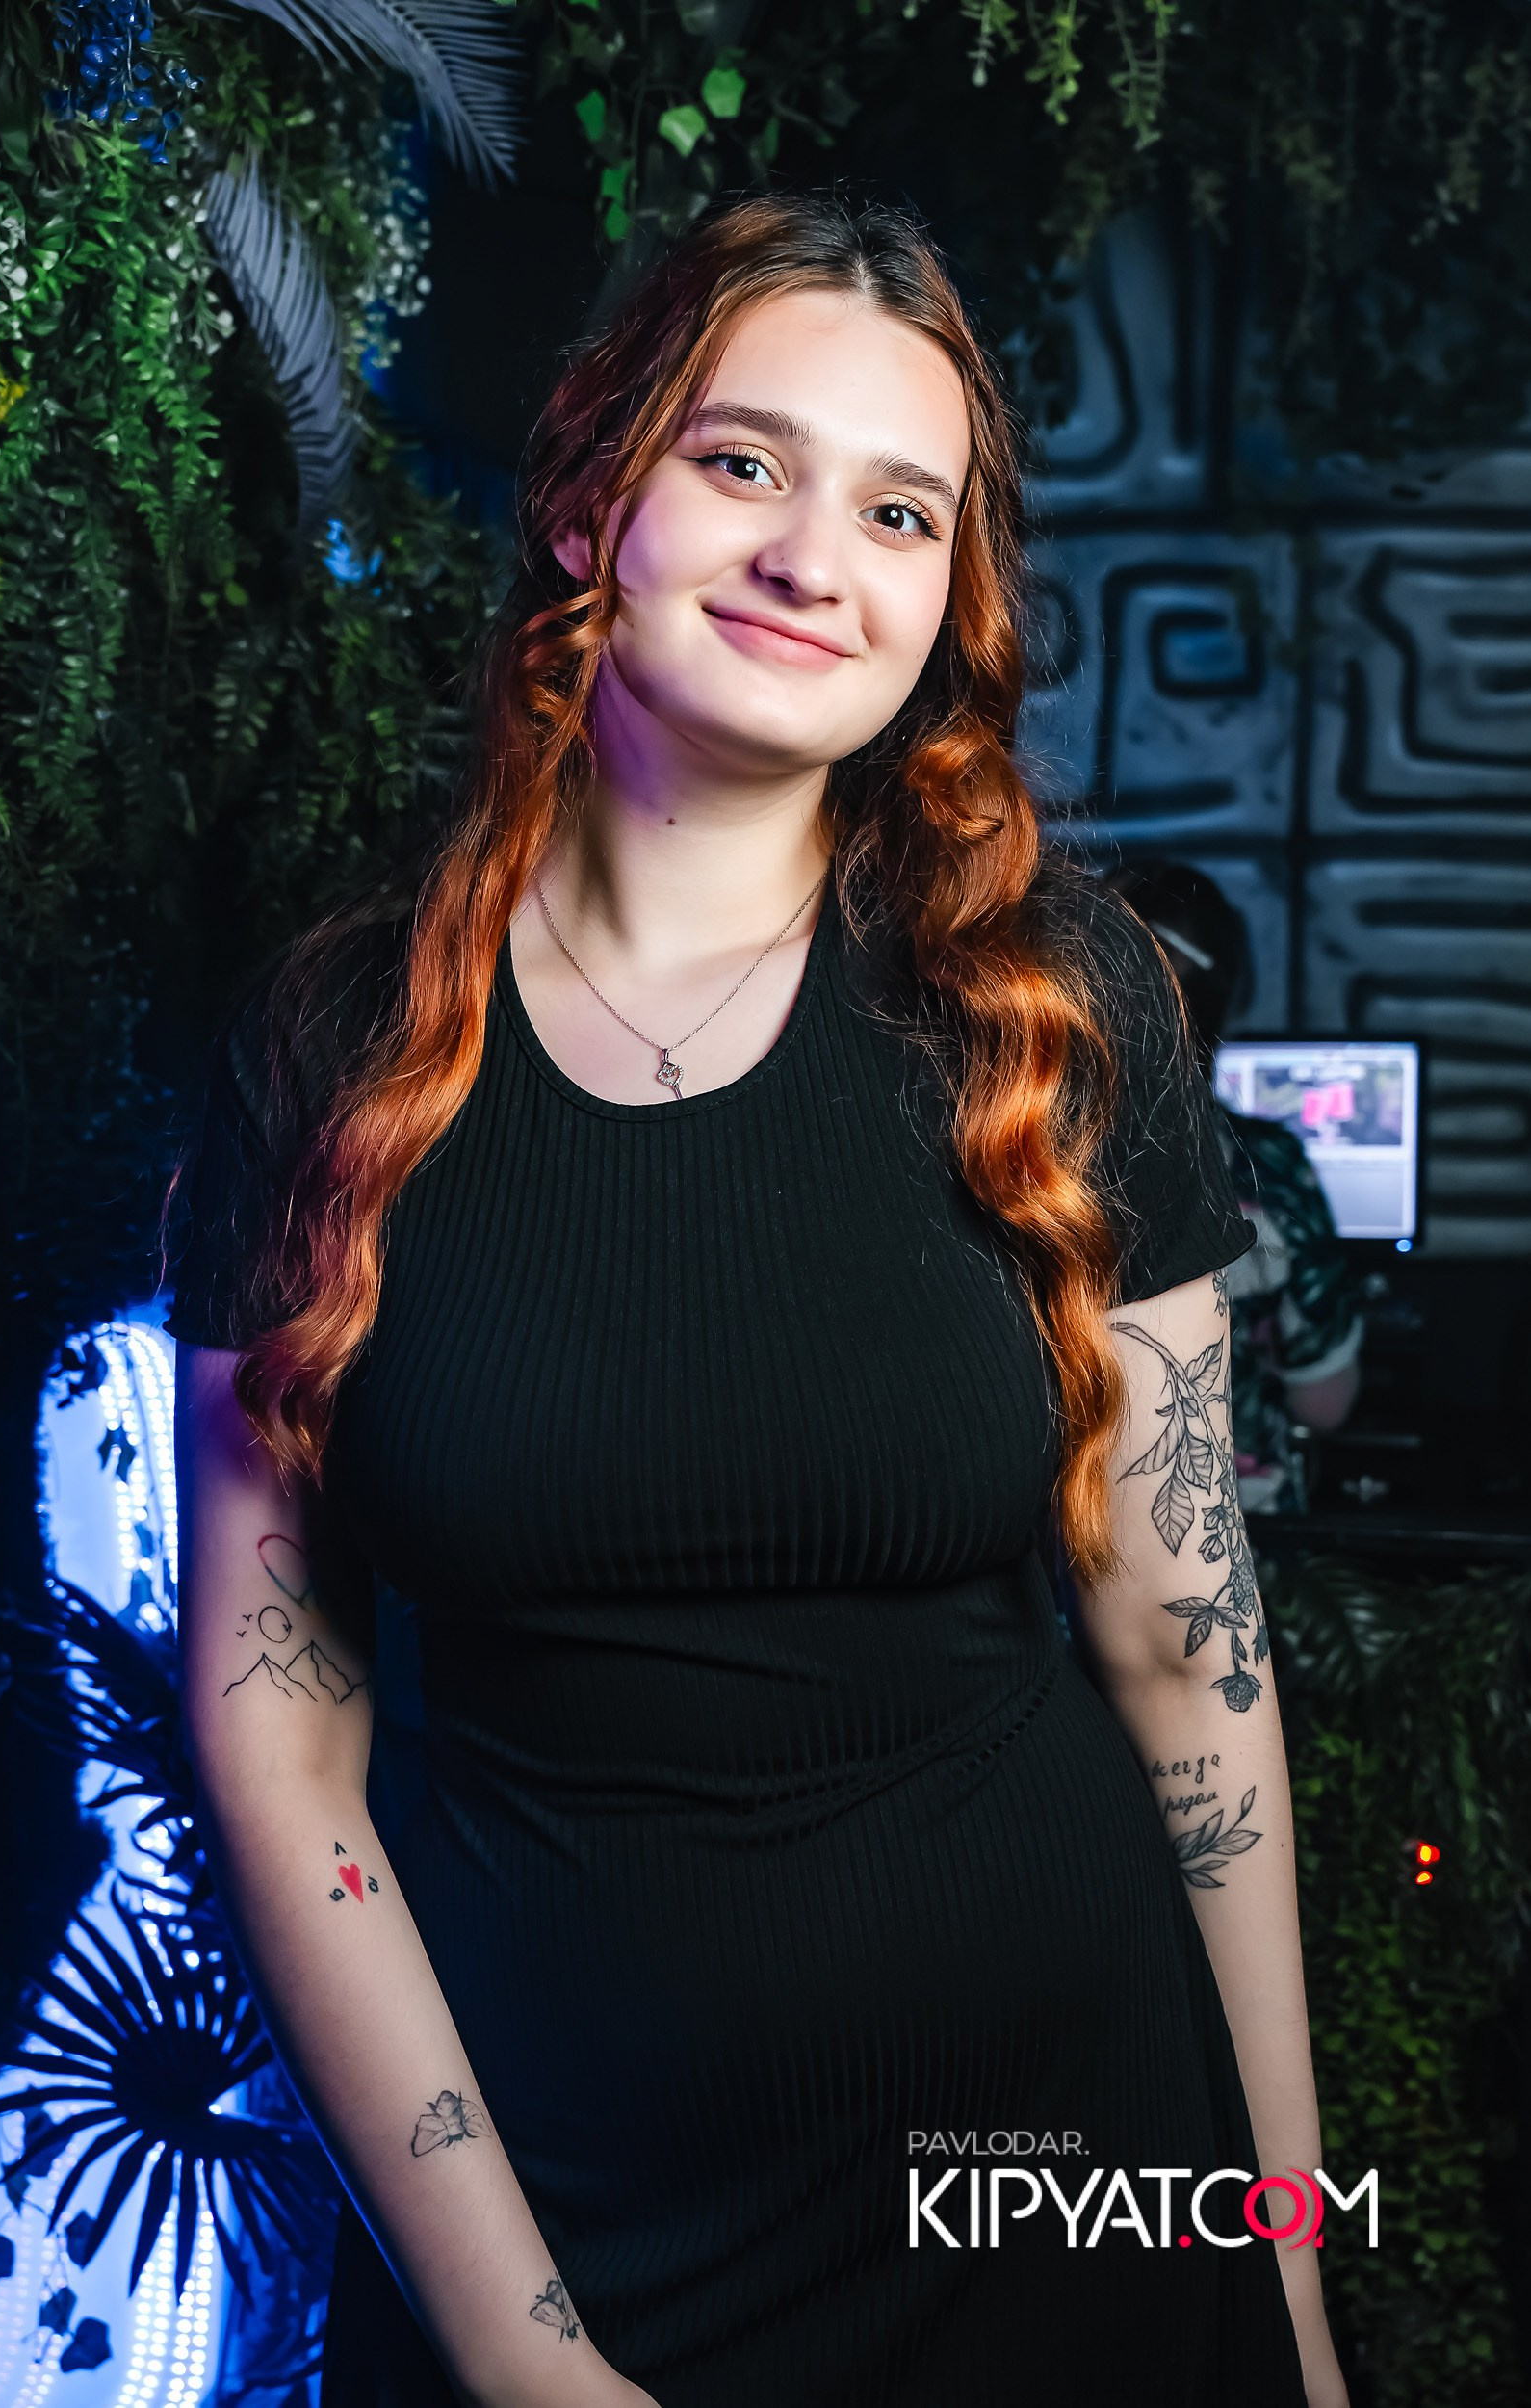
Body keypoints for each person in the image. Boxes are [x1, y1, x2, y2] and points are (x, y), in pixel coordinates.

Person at [168, 194, 1346, 2408]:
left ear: (944, 601)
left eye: (899, 510)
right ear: (592, 494)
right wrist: (525, 2356)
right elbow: (274, 1732)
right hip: (545, 2234)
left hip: (1058, 2205)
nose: (816, 556)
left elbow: (1193, 1680)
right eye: (740, 462)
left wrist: (1279, 2284)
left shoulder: (1052, 1011)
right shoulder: (326, 1046)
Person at [1103, 861, 1363, 1513]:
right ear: (1227, 1000)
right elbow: (1324, 1403)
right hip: (1235, 1535)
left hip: (1047, 1546)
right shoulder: (1267, 1170)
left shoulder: (1004, 1160)